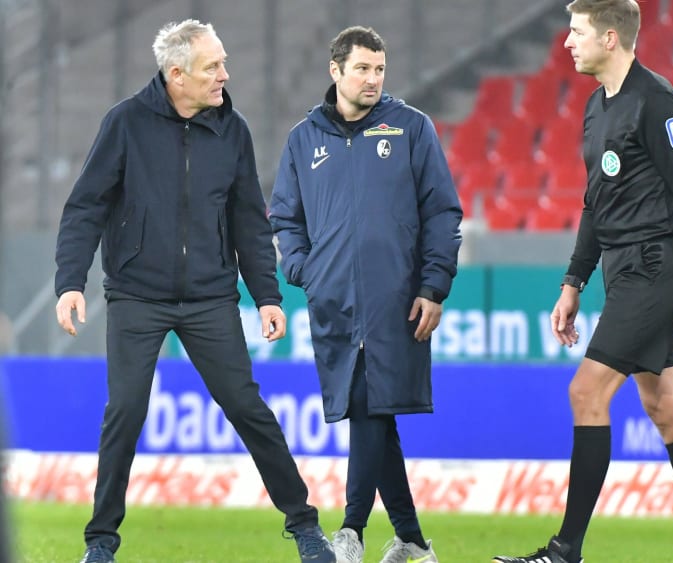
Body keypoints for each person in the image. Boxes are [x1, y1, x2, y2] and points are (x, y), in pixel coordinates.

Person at [53, 19, 335, 563]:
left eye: (224, 62)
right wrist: (71, 283)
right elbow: (84, 208)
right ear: (176, 74)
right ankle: (101, 544)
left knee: (248, 408)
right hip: (136, 294)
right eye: (213, 67)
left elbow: (251, 220)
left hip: (210, 298)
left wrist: (268, 295)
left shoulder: (234, 130)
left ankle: (304, 528)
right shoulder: (125, 124)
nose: (225, 75)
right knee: (126, 411)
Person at [492, 2, 673, 563]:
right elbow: (597, 200)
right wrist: (574, 279)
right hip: (623, 267)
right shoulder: (596, 107)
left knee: (586, 392)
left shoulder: (657, 101)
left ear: (610, 36)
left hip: (657, 267)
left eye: (577, 32)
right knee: (669, 407)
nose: (566, 43)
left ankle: (565, 550)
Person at [268, 26, 461, 563]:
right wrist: (304, 268)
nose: (373, 79)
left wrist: (433, 285)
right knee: (372, 409)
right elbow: (284, 215)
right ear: (335, 71)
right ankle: (412, 542)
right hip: (332, 303)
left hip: (396, 300)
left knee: (368, 407)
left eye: (379, 69)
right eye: (362, 69)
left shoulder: (411, 129)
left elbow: (443, 213)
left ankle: (350, 531)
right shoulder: (304, 139)